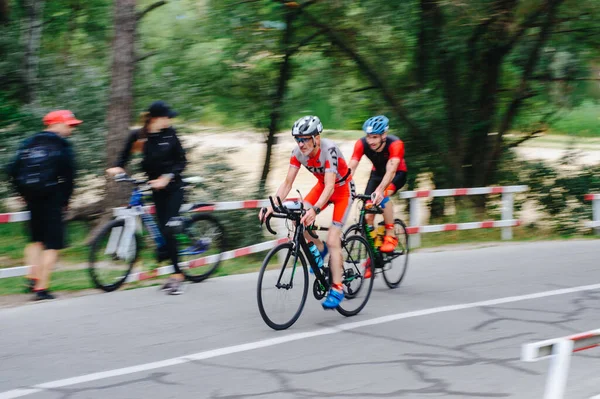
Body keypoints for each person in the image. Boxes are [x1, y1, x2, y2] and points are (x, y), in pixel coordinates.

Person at [259, 115, 356, 309]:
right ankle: (319, 249)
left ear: (316, 138)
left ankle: (337, 287)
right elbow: (287, 183)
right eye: (298, 139)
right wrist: (272, 207)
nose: (301, 143)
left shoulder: (329, 150)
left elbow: (331, 187)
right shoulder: (297, 153)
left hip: (342, 190)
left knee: (333, 239)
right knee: (297, 219)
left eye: (305, 139)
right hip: (322, 187)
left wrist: (316, 209)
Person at [106, 101, 187, 295]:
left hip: (174, 187)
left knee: (168, 228)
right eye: (167, 116)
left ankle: (177, 276)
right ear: (156, 118)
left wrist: (167, 178)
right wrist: (118, 167)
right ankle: (165, 252)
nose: (170, 119)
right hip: (155, 189)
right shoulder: (139, 135)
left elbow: (181, 161)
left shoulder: (170, 134)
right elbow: (124, 156)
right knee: (161, 228)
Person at [6, 110, 81, 301]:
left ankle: (32, 278)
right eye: (68, 125)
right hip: (52, 197)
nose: (71, 129)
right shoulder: (62, 145)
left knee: (35, 240)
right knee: (52, 244)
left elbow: (12, 169)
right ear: (56, 124)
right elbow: (70, 177)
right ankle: (42, 289)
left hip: (32, 197)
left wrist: (22, 193)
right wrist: (65, 201)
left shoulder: (29, 143)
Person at [348, 115, 407, 253]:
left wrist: (380, 190)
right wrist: (343, 185)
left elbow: (391, 171)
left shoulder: (395, 144)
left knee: (383, 197)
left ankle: (390, 235)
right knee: (367, 215)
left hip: (397, 174)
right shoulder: (361, 143)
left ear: (384, 135)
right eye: (368, 136)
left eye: (374, 137)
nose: (370, 141)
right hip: (376, 175)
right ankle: (375, 253)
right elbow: (351, 166)